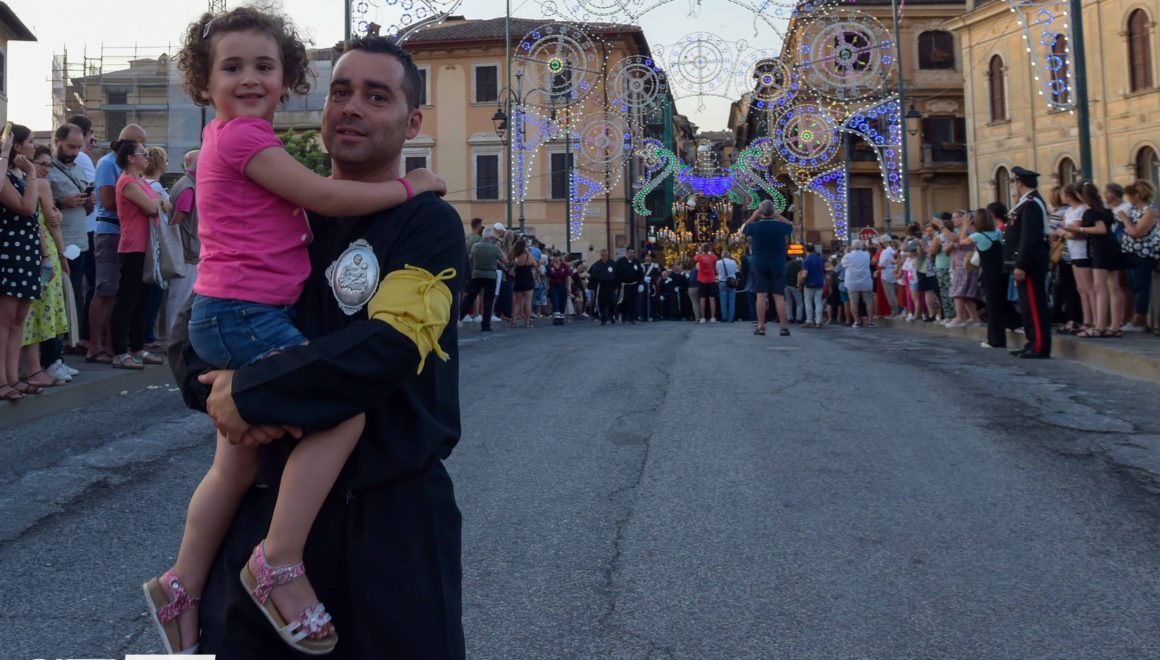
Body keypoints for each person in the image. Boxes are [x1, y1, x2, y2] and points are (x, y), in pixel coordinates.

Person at [144, 8, 448, 656]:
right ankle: (198, 583)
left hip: (386, 528)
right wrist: (219, 394)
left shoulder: (427, 222)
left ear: (412, 122)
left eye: (377, 95)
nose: (352, 106)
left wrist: (251, 394)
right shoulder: (289, 208)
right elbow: (190, 331)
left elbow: (388, 351)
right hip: (266, 517)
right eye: (341, 91)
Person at [87, 124, 148, 366]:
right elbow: (109, 200)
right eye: (140, 146)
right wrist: (137, 198)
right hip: (110, 231)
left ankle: (114, 344)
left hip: (125, 231)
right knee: (105, 289)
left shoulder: (133, 173)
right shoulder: (107, 164)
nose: (145, 150)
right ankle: (94, 346)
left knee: (120, 292)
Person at [107, 140, 168, 370]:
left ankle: (137, 347)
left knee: (143, 300)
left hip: (148, 246)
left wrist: (157, 202)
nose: (147, 157)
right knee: (127, 299)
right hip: (133, 246)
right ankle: (120, 352)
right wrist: (158, 202)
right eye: (143, 154)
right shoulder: (127, 181)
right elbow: (154, 208)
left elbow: (164, 205)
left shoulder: (142, 181)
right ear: (131, 158)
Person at [0, 125, 45, 400]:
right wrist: (32, 174)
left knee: (19, 320)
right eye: (30, 141)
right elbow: (26, 208)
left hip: (27, 251)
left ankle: (13, 377)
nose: (34, 146)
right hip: (10, 251)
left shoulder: (21, 175)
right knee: (4, 320)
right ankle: (1, 380)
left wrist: (44, 254)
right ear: (16, 147)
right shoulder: (5, 176)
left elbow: (35, 218)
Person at [20, 146, 70, 388]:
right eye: (42, 164)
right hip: (44, 251)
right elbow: (52, 222)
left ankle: (32, 366)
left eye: (50, 165)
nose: (47, 169)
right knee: (44, 309)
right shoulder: (40, 185)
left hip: (28, 250)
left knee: (30, 312)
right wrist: (61, 254)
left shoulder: (16, 183)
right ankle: (46, 364)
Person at [1064, 180, 1126, 337]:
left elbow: (1101, 229)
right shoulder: (1104, 209)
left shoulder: (1091, 211)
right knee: (1114, 286)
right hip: (1111, 246)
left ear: (1080, 195)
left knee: (1100, 287)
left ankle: (1099, 326)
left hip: (1100, 248)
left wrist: (1077, 228)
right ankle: (1115, 326)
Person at [1005, 166, 1052, 358]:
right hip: (1026, 262)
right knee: (1027, 306)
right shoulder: (1026, 203)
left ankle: (1039, 345)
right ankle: (1031, 341)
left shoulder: (1031, 204)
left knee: (1034, 305)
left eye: (1015, 182)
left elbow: (1029, 237)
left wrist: (1021, 264)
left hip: (1030, 263)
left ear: (1019, 183)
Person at [165, 149, 201, 341]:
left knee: (180, 297)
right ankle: (173, 340)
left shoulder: (186, 184)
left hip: (186, 249)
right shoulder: (189, 187)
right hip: (186, 251)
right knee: (180, 298)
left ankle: (174, 339)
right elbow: (177, 220)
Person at [742, 200, 793, 336]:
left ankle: (761, 326)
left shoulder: (755, 227)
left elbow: (744, 229)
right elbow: (791, 226)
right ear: (773, 212)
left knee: (761, 295)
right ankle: (783, 327)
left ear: (760, 212)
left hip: (759, 263)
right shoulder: (780, 226)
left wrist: (754, 216)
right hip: (777, 263)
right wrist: (778, 216)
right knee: (779, 296)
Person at [961, 207, 1007, 348]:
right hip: (1002, 272)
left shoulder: (977, 236)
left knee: (992, 307)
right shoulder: (997, 232)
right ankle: (1001, 338)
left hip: (989, 275)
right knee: (1000, 306)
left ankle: (994, 340)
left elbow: (962, 242)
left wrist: (965, 226)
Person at [1117, 181, 1159, 333]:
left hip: (1143, 253)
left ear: (1138, 195)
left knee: (1141, 287)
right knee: (1133, 286)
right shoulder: (1134, 210)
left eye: (1131, 195)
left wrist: (1124, 219)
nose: (1129, 199)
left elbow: (1137, 232)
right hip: (1130, 252)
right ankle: (1134, 318)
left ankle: (1139, 320)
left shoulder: (1150, 211)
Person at [462, 227, 506, 332]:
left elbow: (471, 258)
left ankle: (459, 317)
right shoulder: (495, 248)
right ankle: (486, 325)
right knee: (488, 301)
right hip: (491, 276)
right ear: (491, 237)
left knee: (470, 298)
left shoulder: (475, 246)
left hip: (476, 274)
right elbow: (505, 260)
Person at [944, 210, 983, 327]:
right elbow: (948, 248)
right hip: (960, 264)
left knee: (959, 291)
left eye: (956, 217)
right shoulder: (962, 231)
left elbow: (961, 242)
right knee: (964, 293)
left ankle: (960, 317)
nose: (954, 220)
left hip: (966, 263)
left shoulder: (970, 230)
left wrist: (943, 227)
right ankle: (974, 317)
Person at [841, 240, 875, 328]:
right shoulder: (866, 255)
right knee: (869, 302)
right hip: (865, 281)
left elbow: (843, 264)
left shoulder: (848, 256)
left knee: (853, 302)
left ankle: (857, 321)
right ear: (862, 247)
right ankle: (870, 321)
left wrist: (845, 253)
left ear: (852, 247)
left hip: (852, 282)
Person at [510, 239, 535, 328]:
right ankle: (527, 322)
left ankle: (514, 321)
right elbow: (535, 264)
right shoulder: (528, 255)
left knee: (517, 302)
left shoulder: (515, 255)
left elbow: (512, 267)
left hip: (518, 279)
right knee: (528, 301)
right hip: (528, 279)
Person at [589, 248, 618, 325]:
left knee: (613, 301)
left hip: (611, 285)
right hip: (601, 286)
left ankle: (611, 315)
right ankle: (603, 318)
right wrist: (592, 288)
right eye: (603, 255)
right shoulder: (596, 265)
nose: (604, 256)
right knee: (601, 302)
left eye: (606, 255)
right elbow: (592, 277)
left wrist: (617, 286)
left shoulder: (613, 264)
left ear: (608, 255)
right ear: (600, 255)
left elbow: (617, 276)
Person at [615, 247, 643, 324]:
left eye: (633, 253)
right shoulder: (620, 261)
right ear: (626, 253)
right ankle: (623, 316)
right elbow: (617, 274)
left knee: (633, 301)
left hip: (634, 285)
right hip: (624, 285)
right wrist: (618, 284)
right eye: (630, 253)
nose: (632, 254)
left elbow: (640, 273)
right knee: (624, 301)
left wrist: (640, 284)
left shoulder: (636, 262)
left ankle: (631, 318)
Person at [692, 244, 718, 323]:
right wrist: (711, 251)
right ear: (709, 249)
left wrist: (700, 251)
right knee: (712, 299)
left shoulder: (700, 257)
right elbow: (716, 258)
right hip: (711, 279)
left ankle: (703, 318)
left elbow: (694, 258)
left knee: (702, 299)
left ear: (703, 249)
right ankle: (713, 317)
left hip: (702, 279)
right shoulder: (712, 257)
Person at [801, 245, 825, 328]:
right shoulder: (819, 259)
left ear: (806, 250)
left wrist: (800, 282)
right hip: (820, 283)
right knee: (818, 302)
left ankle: (809, 320)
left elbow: (804, 274)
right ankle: (818, 321)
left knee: (808, 302)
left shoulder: (806, 260)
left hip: (809, 283)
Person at [547, 252, 572, 323]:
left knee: (562, 301)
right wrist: (547, 286)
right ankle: (556, 318)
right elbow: (548, 277)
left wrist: (569, 286)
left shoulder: (564, 266)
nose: (556, 258)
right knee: (555, 300)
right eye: (554, 256)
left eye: (557, 256)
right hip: (553, 286)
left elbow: (568, 276)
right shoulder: (550, 266)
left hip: (562, 285)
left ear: (560, 257)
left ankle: (561, 316)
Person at [716, 249, 739, 322]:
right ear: (729, 255)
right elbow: (736, 271)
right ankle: (731, 318)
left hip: (722, 282)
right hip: (731, 282)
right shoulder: (733, 262)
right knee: (732, 301)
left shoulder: (718, 262)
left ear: (722, 255)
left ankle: (724, 317)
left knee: (723, 301)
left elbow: (717, 271)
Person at [877, 237, 898, 316]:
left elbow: (882, 264)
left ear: (883, 242)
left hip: (887, 275)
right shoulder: (894, 250)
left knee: (890, 294)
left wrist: (879, 265)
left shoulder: (885, 251)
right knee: (895, 294)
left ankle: (894, 311)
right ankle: (898, 310)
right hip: (895, 273)